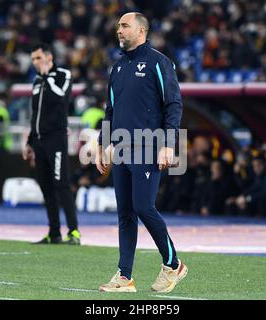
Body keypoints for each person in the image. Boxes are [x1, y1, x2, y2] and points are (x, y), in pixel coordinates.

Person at [95, 12, 187, 293]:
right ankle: (125, 277)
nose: (118, 30)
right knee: (125, 213)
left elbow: (173, 104)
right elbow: (111, 110)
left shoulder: (159, 63)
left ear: (142, 31)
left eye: (125, 25)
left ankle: (173, 264)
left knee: (143, 207)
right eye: (118, 26)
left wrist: (169, 144)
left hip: (149, 144)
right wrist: (102, 144)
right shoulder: (118, 67)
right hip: (122, 148)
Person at [22, 43, 81, 245]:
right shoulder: (37, 80)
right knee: (46, 186)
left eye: (37, 58)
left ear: (48, 57)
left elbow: (61, 99)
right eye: (33, 59)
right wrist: (29, 141)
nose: (35, 63)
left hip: (56, 138)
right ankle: (54, 232)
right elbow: (35, 113)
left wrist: (48, 77)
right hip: (39, 140)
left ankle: (74, 232)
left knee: (61, 184)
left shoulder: (62, 74)